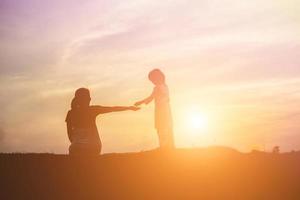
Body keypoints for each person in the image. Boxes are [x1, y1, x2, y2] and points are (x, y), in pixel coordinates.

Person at [65, 88, 140, 155]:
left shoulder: (71, 113)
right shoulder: (93, 110)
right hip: (94, 147)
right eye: (88, 98)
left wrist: (77, 143)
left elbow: (69, 133)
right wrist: (129, 108)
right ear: (89, 99)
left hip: (78, 148)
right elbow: (113, 109)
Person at [135, 69, 174, 149]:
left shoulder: (158, 88)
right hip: (165, 109)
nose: (152, 82)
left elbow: (150, 98)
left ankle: (164, 146)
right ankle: (167, 145)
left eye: (153, 79)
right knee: (165, 127)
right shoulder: (165, 86)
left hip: (161, 110)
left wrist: (140, 102)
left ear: (158, 77)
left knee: (161, 127)